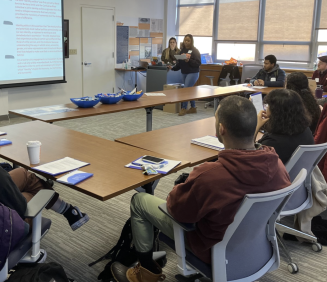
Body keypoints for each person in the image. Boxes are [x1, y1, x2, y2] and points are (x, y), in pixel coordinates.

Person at [110, 96, 291, 282]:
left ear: (221, 128)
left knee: (140, 201)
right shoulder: (277, 165)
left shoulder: (210, 175)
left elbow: (178, 211)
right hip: (255, 245)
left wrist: (183, 186)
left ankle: (146, 273)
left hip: (210, 248)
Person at [0, 100, 89, 233]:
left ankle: (68, 210)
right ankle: (67, 211)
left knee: (23, 174)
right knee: (30, 195)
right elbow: (19, 207)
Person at [255, 89, 314, 165]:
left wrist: (256, 126)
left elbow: (248, 157)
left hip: (275, 176)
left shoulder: (271, 144)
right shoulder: (306, 131)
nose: (266, 109)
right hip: (298, 174)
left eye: (267, 106)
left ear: (275, 112)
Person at [169, 34, 201, 116]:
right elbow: (179, 64)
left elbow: (198, 63)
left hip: (193, 73)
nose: (186, 42)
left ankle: (183, 108)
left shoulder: (195, 51)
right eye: (185, 40)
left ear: (191, 41)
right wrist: (172, 68)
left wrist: (188, 61)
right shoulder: (182, 51)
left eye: (188, 41)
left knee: (185, 90)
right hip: (184, 72)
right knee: (188, 90)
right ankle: (193, 107)